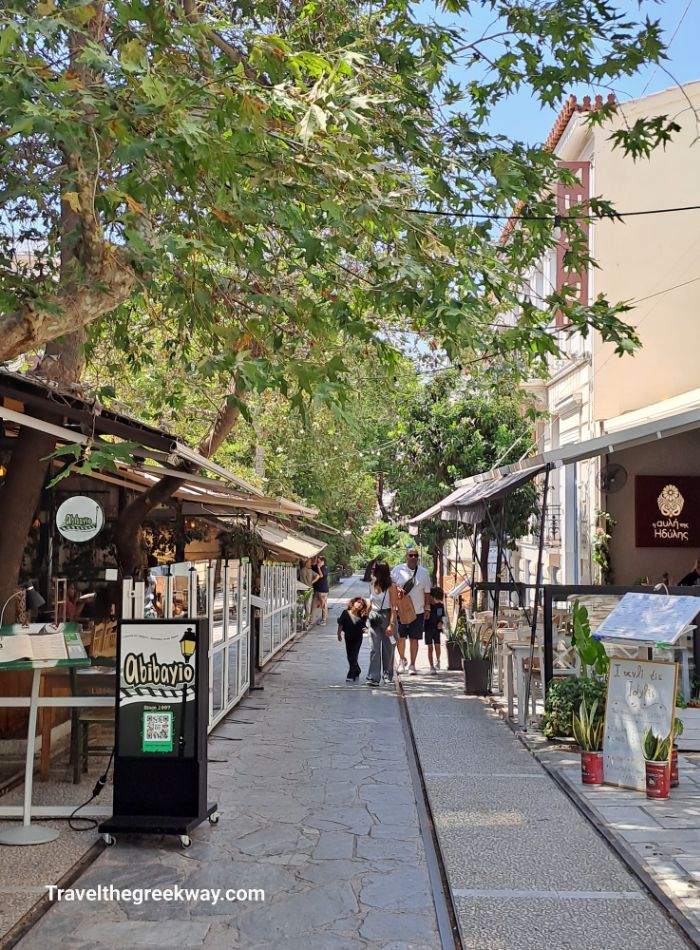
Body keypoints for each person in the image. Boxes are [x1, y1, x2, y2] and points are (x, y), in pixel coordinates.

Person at [391, 547, 431, 675]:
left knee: (414, 638)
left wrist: (427, 607)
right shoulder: (397, 570)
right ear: (406, 556)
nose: (413, 557)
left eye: (415, 555)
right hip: (401, 610)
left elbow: (427, 592)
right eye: (411, 555)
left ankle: (412, 664)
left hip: (417, 612)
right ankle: (402, 660)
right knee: (400, 638)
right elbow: (390, 588)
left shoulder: (423, 573)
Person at [366, 561, 398, 685]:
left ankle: (387, 673)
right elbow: (370, 602)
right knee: (374, 648)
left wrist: (391, 624)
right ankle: (373, 677)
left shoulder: (391, 587)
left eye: (375, 568)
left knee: (388, 648)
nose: (372, 570)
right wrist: (365, 618)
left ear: (380, 571)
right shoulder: (371, 584)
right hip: (374, 616)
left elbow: (394, 607)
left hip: (387, 615)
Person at [337, 597, 369, 682]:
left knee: (354, 655)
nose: (359, 605)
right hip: (348, 637)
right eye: (358, 602)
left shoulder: (362, 615)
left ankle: (351, 675)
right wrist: (339, 634)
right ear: (353, 603)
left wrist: (366, 630)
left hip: (358, 638)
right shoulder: (345, 613)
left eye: (362, 604)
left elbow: (363, 626)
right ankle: (357, 669)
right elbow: (341, 624)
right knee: (350, 656)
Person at [424, 586, 445, 675]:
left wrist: (440, 622)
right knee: (430, 647)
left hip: (436, 629)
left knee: (437, 645)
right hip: (428, 628)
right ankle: (431, 666)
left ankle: (438, 659)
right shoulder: (427, 606)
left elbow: (440, 617)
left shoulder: (440, 606)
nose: (436, 601)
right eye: (436, 599)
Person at [311, 555, 330, 626]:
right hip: (316, 590)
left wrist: (319, 568)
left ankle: (324, 620)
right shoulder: (315, 566)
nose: (317, 562)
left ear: (322, 561)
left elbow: (321, 576)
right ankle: (311, 620)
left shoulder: (325, 568)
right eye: (317, 561)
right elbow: (311, 566)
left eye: (319, 561)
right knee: (313, 605)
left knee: (323, 606)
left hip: (323, 591)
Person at [299, 558, 316, 628]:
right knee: (308, 606)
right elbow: (318, 576)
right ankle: (306, 622)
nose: (310, 564)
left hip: (301, 590)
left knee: (302, 606)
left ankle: (302, 620)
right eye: (309, 562)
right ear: (306, 563)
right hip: (309, 589)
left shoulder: (300, 571)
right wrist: (312, 582)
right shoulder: (310, 570)